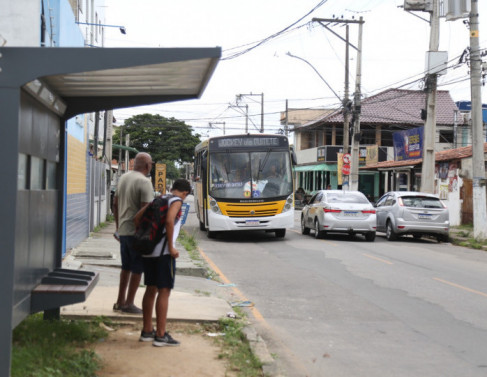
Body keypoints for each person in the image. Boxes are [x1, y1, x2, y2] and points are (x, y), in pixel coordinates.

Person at [139, 178, 191, 347]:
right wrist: (171, 247)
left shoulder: (159, 199)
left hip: (149, 252)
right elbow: (170, 221)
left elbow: (136, 218)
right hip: (164, 254)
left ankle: (147, 331)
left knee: (150, 289)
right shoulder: (176, 201)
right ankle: (161, 335)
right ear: (184, 193)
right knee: (164, 291)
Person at [112, 152, 154, 314]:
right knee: (137, 268)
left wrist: (117, 227)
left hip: (123, 231)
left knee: (126, 267)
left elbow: (115, 204)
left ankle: (120, 301)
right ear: (147, 165)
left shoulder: (123, 178)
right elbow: (146, 210)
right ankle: (129, 303)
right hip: (137, 233)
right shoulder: (144, 182)